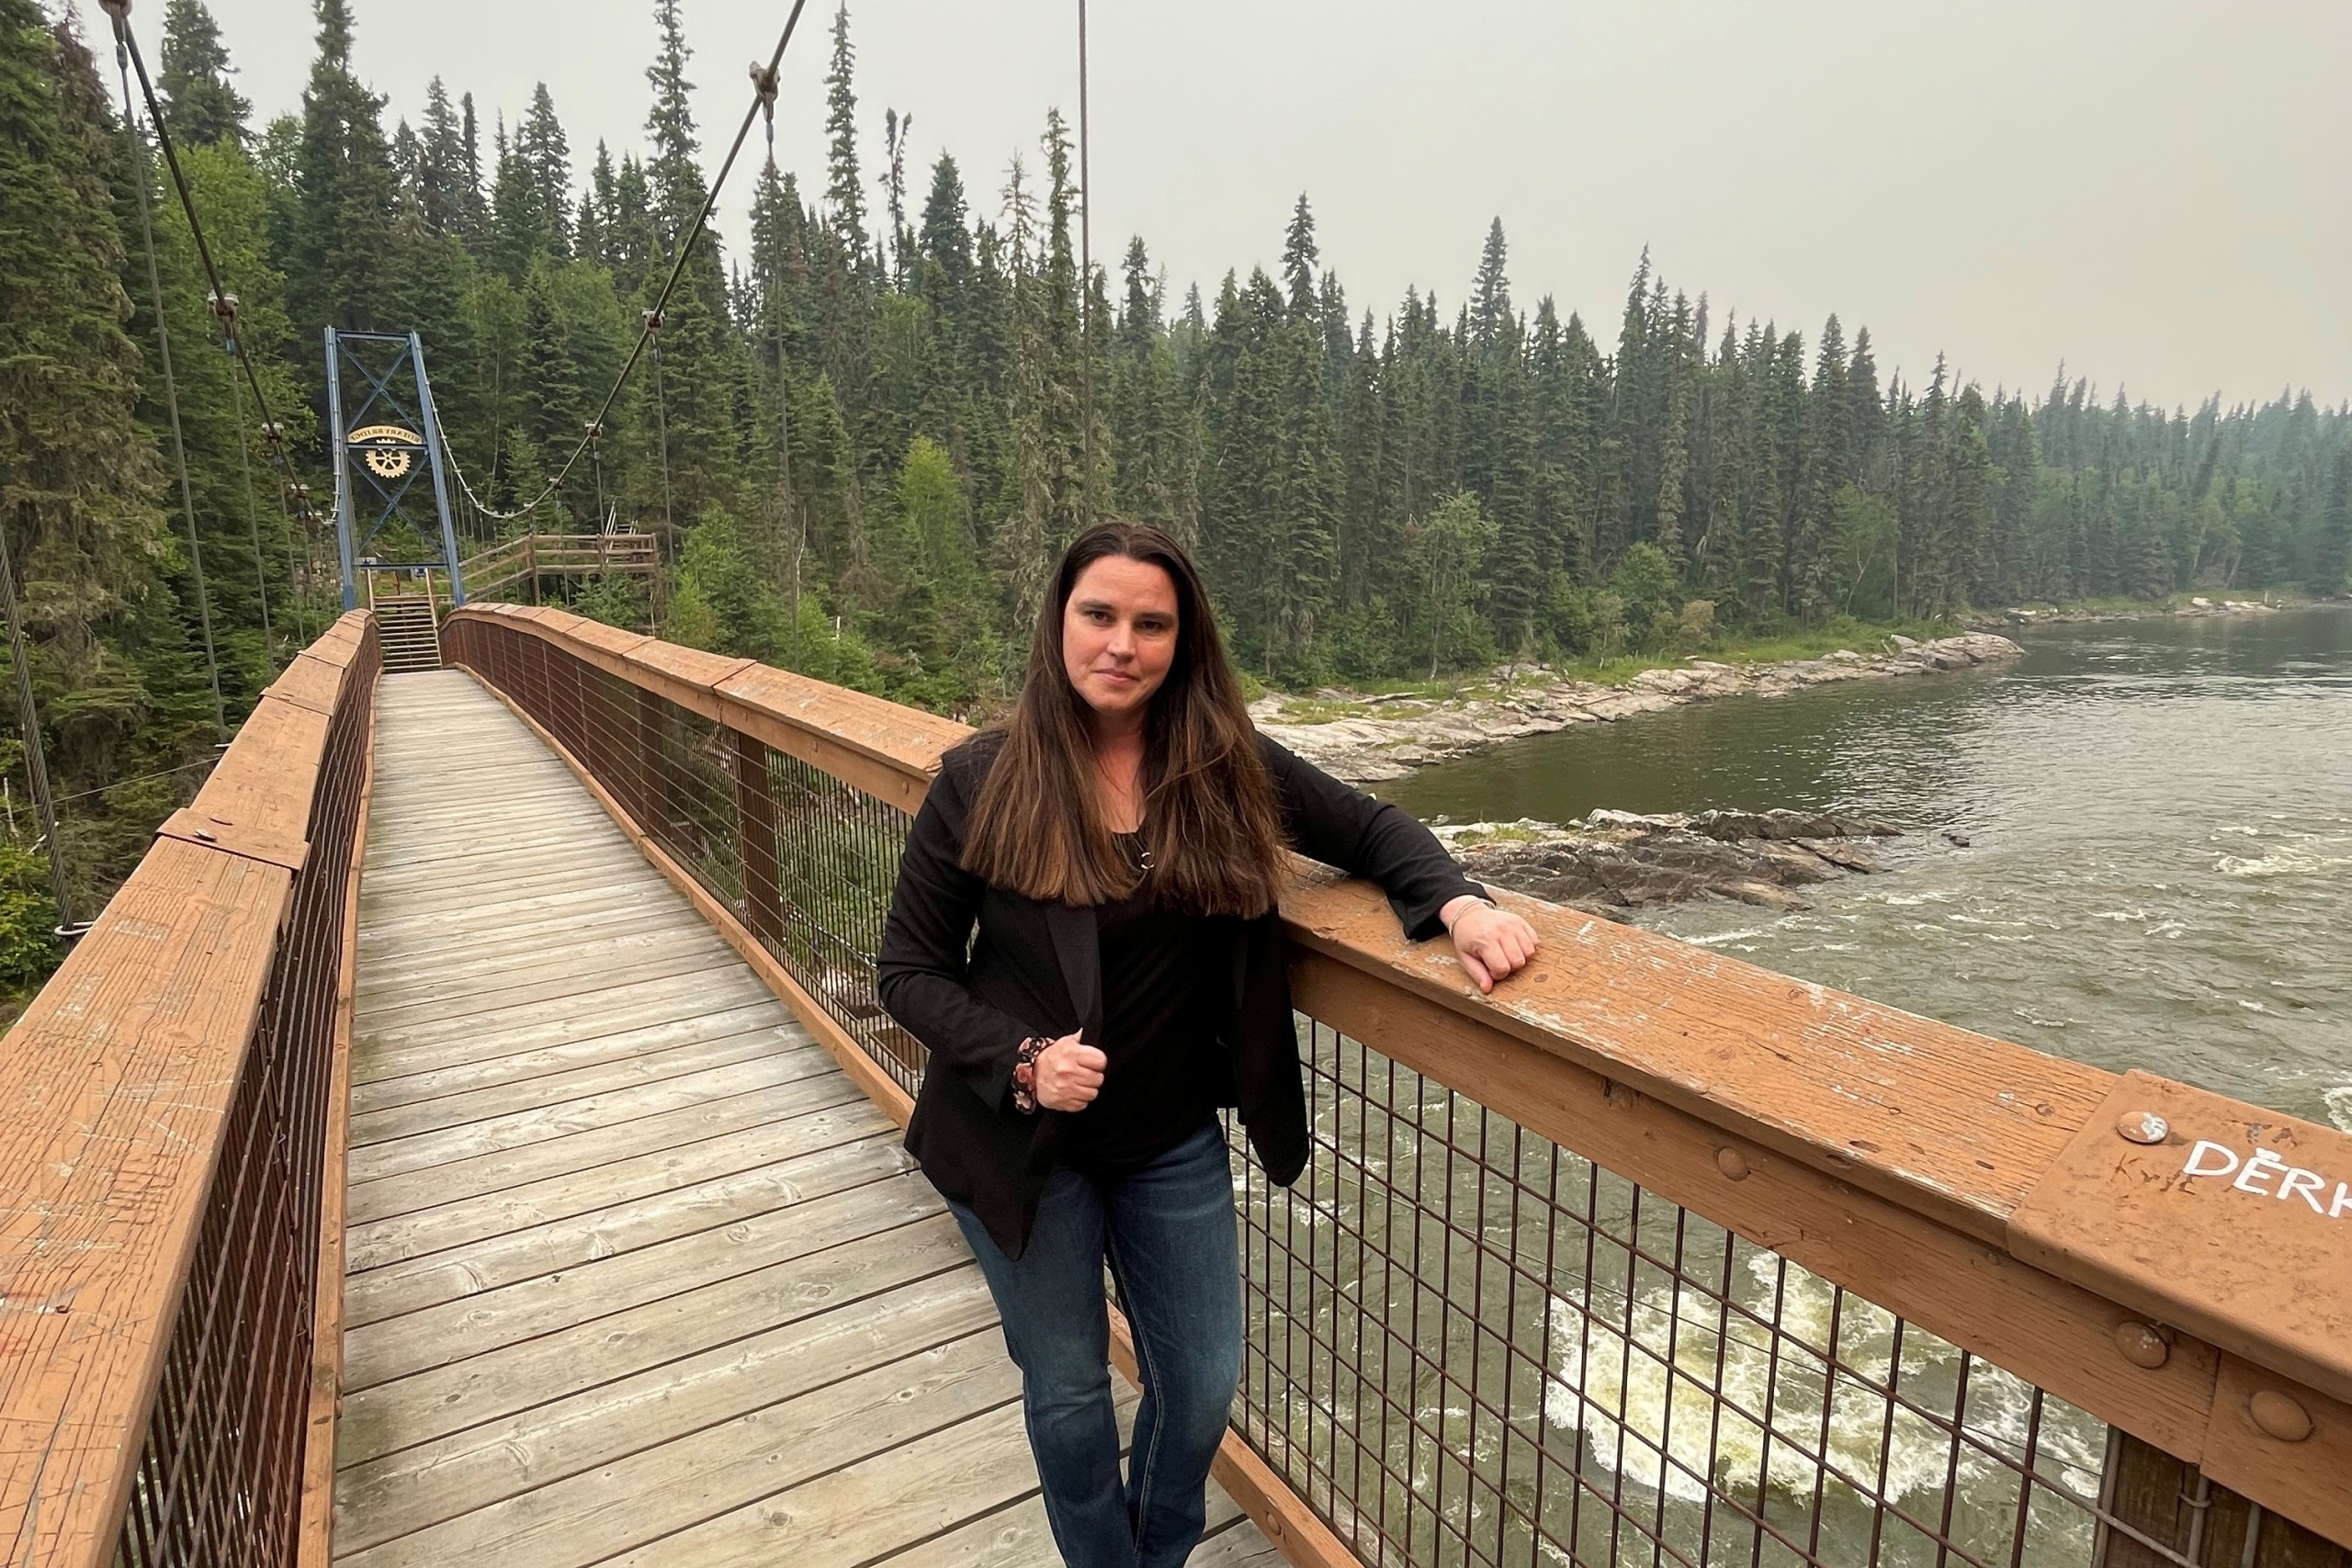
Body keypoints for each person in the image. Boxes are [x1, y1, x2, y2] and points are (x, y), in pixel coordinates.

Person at [876, 521, 1538, 1568]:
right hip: (1021, 1145)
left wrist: (1457, 905)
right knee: (1069, 1389)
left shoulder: (1222, 766)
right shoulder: (983, 778)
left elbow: (1369, 828)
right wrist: (1021, 1059)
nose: (1122, 644)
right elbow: (908, 970)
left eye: (1152, 624)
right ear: (1058, 622)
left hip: (1168, 1141)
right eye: (1099, 615)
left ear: (1182, 642)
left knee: (1198, 1388)